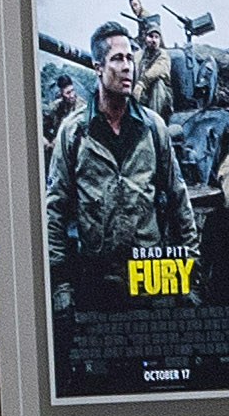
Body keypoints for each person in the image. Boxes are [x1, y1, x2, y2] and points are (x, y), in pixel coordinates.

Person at [48, 16, 199, 273]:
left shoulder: (153, 127)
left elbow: (179, 199)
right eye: (118, 59)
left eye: (130, 58)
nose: (128, 66)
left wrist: (191, 269)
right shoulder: (74, 131)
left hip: (149, 272)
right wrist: (60, 283)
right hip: (96, 273)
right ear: (98, 67)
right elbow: (55, 210)